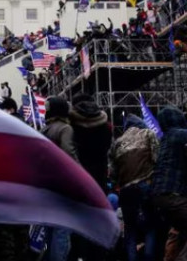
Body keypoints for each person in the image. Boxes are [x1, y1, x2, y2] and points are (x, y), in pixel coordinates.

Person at [148, 106, 187, 261]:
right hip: (173, 194)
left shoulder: (164, 138)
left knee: (183, 230)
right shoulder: (183, 134)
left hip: (158, 195)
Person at [69, 95, 112, 261]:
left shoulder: (71, 127)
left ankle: (80, 256)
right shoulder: (106, 127)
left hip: (78, 180)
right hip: (99, 181)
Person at [112, 114, 157, 261]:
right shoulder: (148, 134)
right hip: (146, 185)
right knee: (151, 226)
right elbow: (157, 158)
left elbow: (112, 172)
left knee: (130, 229)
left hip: (126, 190)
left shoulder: (117, 142)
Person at [42, 97, 76, 261]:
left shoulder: (44, 130)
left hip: (45, 189)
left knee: (50, 234)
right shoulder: (65, 129)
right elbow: (68, 155)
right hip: (61, 188)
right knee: (62, 232)